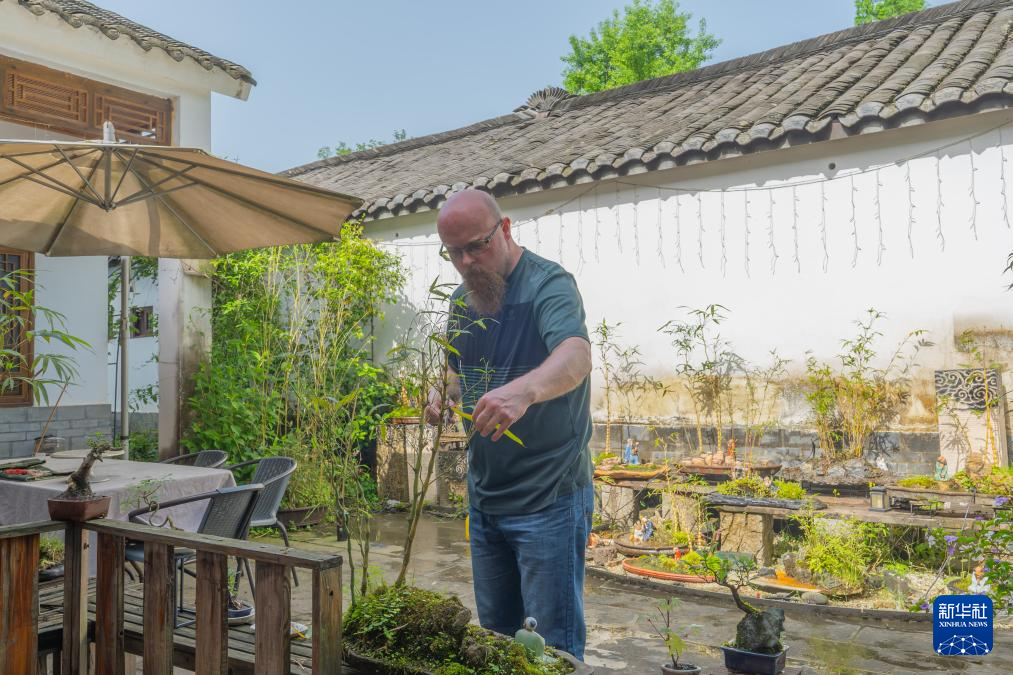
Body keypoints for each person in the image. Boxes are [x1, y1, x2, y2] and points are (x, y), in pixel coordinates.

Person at [425, 189, 594, 659]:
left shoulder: (548, 285)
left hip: (548, 496)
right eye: (454, 252)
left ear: (504, 229)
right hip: (486, 498)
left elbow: (576, 355)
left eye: (476, 246)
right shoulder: (462, 301)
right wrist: (440, 392)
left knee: (551, 651)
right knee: (496, 644)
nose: (466, 262)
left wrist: (524, 390)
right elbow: (457, 370)